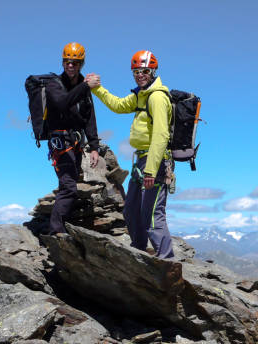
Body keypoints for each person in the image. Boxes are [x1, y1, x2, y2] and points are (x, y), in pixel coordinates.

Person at [85, 50, 175, 258]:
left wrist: (151, 170)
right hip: (141, 161)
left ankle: (167, 261)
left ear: (153, 71)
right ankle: (139, 252)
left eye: (144, 71)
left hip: (155, 162)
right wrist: (97, 89)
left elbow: (161, 135)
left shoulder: (157, 98)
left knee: (152, 215)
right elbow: (117, 105)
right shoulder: (140, 96)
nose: (140, 75)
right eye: (136, 71)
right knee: (132, 211)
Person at [45, 42, 101, 234]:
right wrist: (85, 86)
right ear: (62, 62)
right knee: (69, 187)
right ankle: (56, 233)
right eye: (68, 62)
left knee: (66, 185)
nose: (71, 66)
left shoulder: (83, 88)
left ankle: (62, 228)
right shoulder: (54, 84)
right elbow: (62, 103)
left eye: (75, 63)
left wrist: (94, 147)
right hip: (60, 143)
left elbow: (89, 117)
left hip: (76, 143)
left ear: (81, 64)